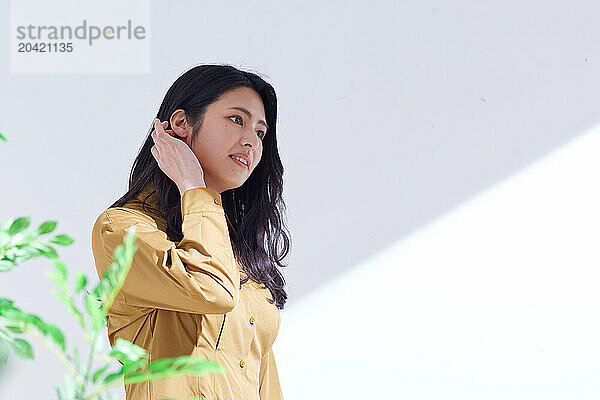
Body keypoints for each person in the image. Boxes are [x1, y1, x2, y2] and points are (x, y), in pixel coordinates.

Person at [90, 64, 290, 400]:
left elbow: (265, 385)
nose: (250, 142)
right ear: (181, 123)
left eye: (260, 133)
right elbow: (213, 290)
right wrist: (192, 185)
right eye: (236, 120)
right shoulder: (122, 230)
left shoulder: (236, 251)